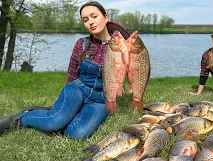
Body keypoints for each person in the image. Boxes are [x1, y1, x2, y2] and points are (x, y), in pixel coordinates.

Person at [0, 1, 130, 139]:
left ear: (106, 17)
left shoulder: (122, 46)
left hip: (101, 100)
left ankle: (63, 116)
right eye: (85, 20)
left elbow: (135, 70)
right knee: (54, 121)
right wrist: (69, 99)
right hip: (78, 89)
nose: (90, 22)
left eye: (94, 16)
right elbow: (72, 75)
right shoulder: (82, 44)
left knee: (76, 134)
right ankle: (21, 118)